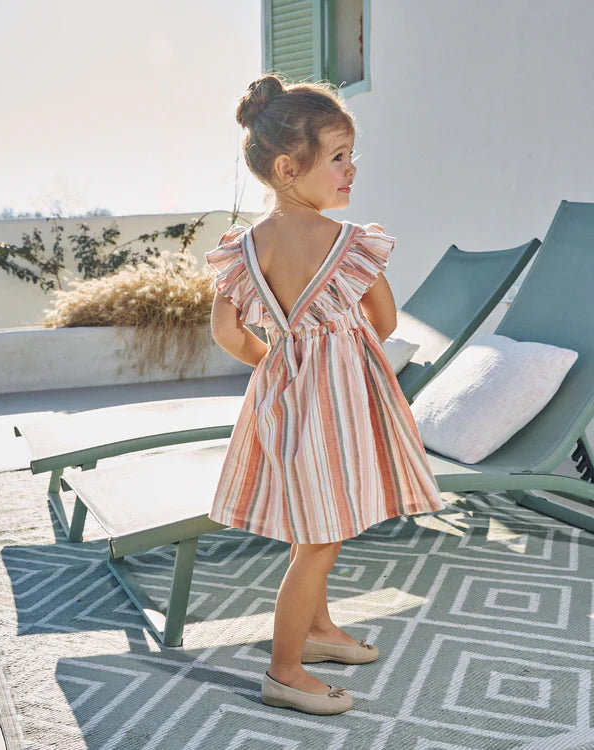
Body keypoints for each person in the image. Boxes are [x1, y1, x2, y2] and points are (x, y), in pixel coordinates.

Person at [204, 74, 446, 716]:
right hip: (333, 409)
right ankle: (284, 671)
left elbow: (226, 333)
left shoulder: (242, 249)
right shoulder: (345, 244)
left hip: (280, 402)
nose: (351, 169)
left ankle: (317, 630)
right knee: (320, 540)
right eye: (338, 157)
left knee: (313, 524)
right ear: (289, 168)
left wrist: (278, 360)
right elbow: (384, 322)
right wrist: (330, 354)